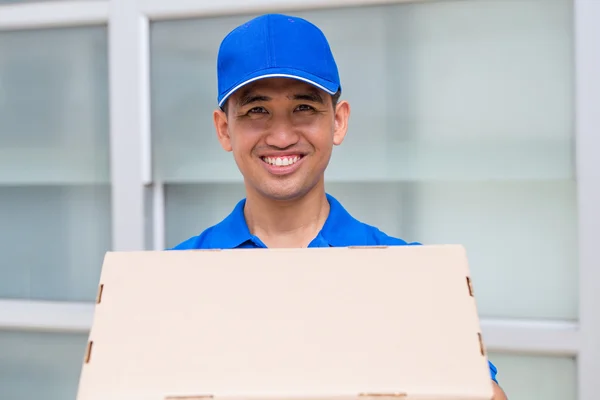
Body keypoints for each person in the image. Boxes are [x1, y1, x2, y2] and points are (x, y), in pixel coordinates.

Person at [172, 13, 508, 400]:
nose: (281, 136)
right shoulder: (174, 277)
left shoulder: (407, 274)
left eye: (304, 108)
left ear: (339, 121)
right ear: (224, 129)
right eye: (256, 111)